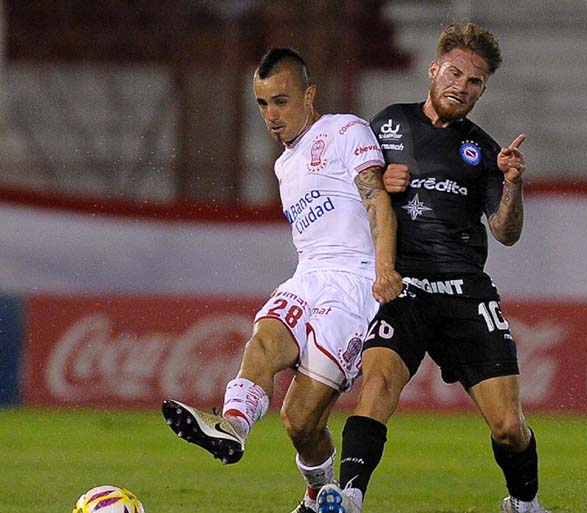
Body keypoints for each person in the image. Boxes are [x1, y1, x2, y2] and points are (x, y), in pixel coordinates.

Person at [317, 23, 549, 513]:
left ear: (483, 90)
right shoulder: (386, 125)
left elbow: (506, 233)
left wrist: (512, 184)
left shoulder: (484, 151)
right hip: (405, 287)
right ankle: (349, 497)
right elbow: (344, 200)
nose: (461, 87)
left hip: (467, 293)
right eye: (455, 73)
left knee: (508, 425)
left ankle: (523, 504)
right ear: (433, 69)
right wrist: (379, 184)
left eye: (475, 82)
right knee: (377, 386)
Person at [161, 47, 403, 513]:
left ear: (309, 95)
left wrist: (385, 267)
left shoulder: (344, 129)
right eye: (262, 103)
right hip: (306, 277)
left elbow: (376, 199)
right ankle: (231, 426)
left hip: (353, 286)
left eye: (281, 101)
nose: (271, 115)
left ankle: (319, 496)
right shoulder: (283, 165)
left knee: (299, 421)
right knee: (264, 338)